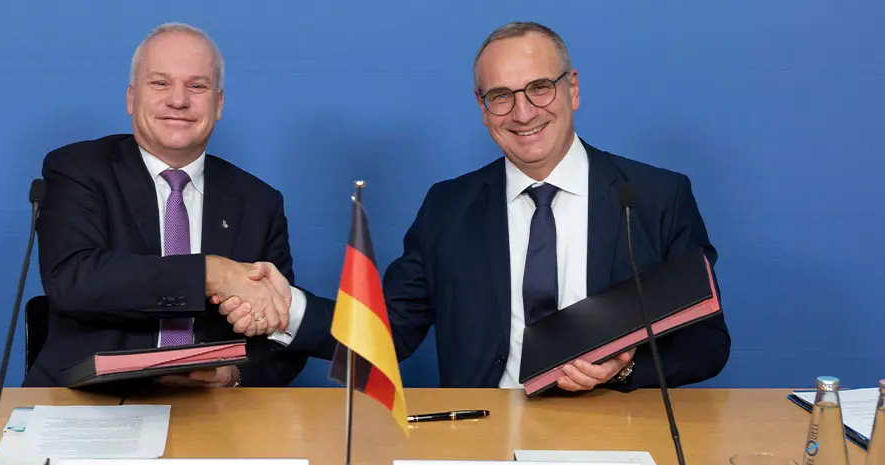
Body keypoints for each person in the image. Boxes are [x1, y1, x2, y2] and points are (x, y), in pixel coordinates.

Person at [217, 21, 730, 391]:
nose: (523, 112)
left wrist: (626, 369)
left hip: (618, 429)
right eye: (500, 96)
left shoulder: (657, 197)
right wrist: (286, 309)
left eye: (539, 88)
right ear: (482, 109)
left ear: (572, 89)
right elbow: (385, 333)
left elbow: (707, 343)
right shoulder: (448, 208)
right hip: (485, 438)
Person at [22, 22, 307, 389]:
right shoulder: (78, 169)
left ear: (218, 104)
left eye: (197, 86)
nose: (178, 100)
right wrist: (209, 273)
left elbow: (281, 332)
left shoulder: (259, 201)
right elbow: (74, 280)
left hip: (214, 410)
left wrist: (232, 374)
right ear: (131, 98)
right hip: (88, 398)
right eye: (160, 83)